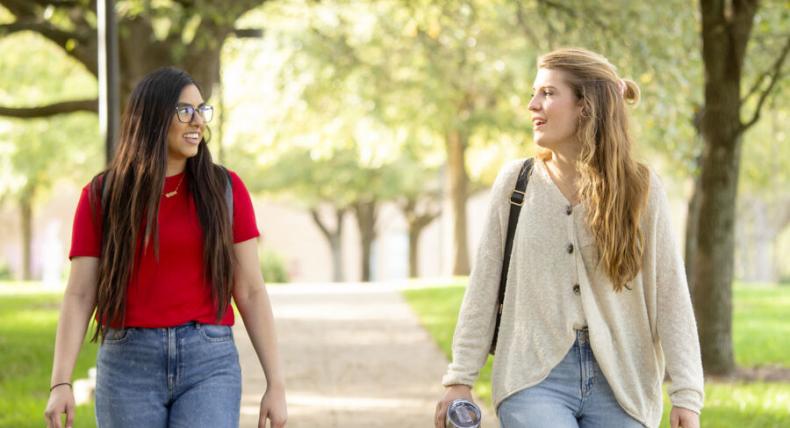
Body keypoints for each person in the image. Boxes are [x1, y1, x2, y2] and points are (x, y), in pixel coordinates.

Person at [434, 48, 704, 428]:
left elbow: (670, 293)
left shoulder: (641, 189)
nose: (532, 105)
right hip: (532, 377)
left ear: (585, 106)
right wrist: (460, 379)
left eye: (547, 93)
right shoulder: (517, 184)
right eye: (534, 93)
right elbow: (483, 285)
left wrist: (687, 395)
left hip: (624, 382)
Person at [44, 67, 287, 428]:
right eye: (184, 111)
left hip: (209, 364)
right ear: (154, 118)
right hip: (127, 364)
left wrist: (276, 384)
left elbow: (250, 289)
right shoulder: (103, 196)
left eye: (202, 110)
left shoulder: (226, 191)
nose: (198, 122)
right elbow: (80, 294)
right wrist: (60, 382)